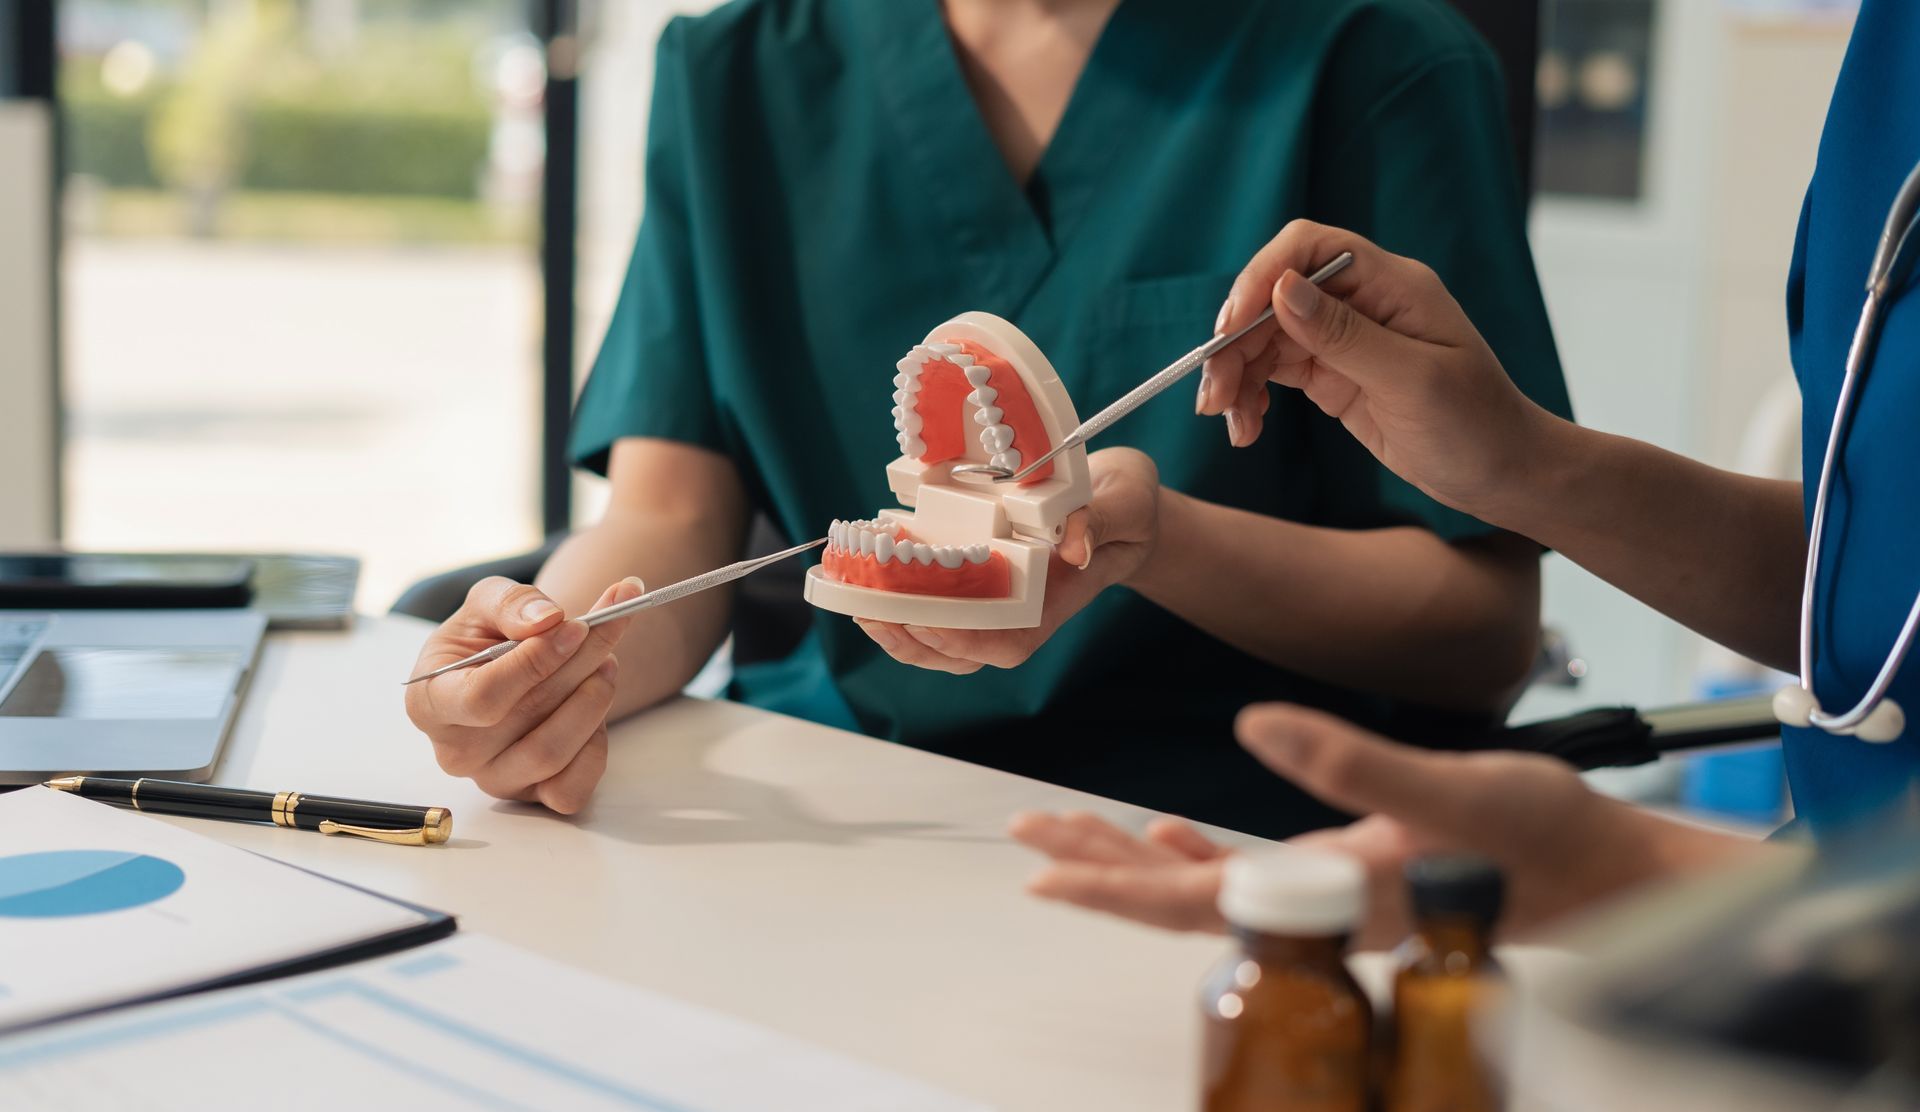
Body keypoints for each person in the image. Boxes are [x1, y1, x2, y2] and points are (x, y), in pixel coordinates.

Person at [404, 0, 1571, 838]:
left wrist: (1156, 541)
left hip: (1231, 836)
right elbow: (670, 516)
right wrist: (548, 664)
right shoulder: (735, 71)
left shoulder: (1372, 61)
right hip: (839, 802)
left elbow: (1481, 628)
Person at [1014, 0, 1919, 938]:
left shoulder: (1374, 58)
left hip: (1836, 957)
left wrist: (1626, 868)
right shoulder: (1891, 54)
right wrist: (1519, 462)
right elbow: (1871, 590)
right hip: (1819, 951)